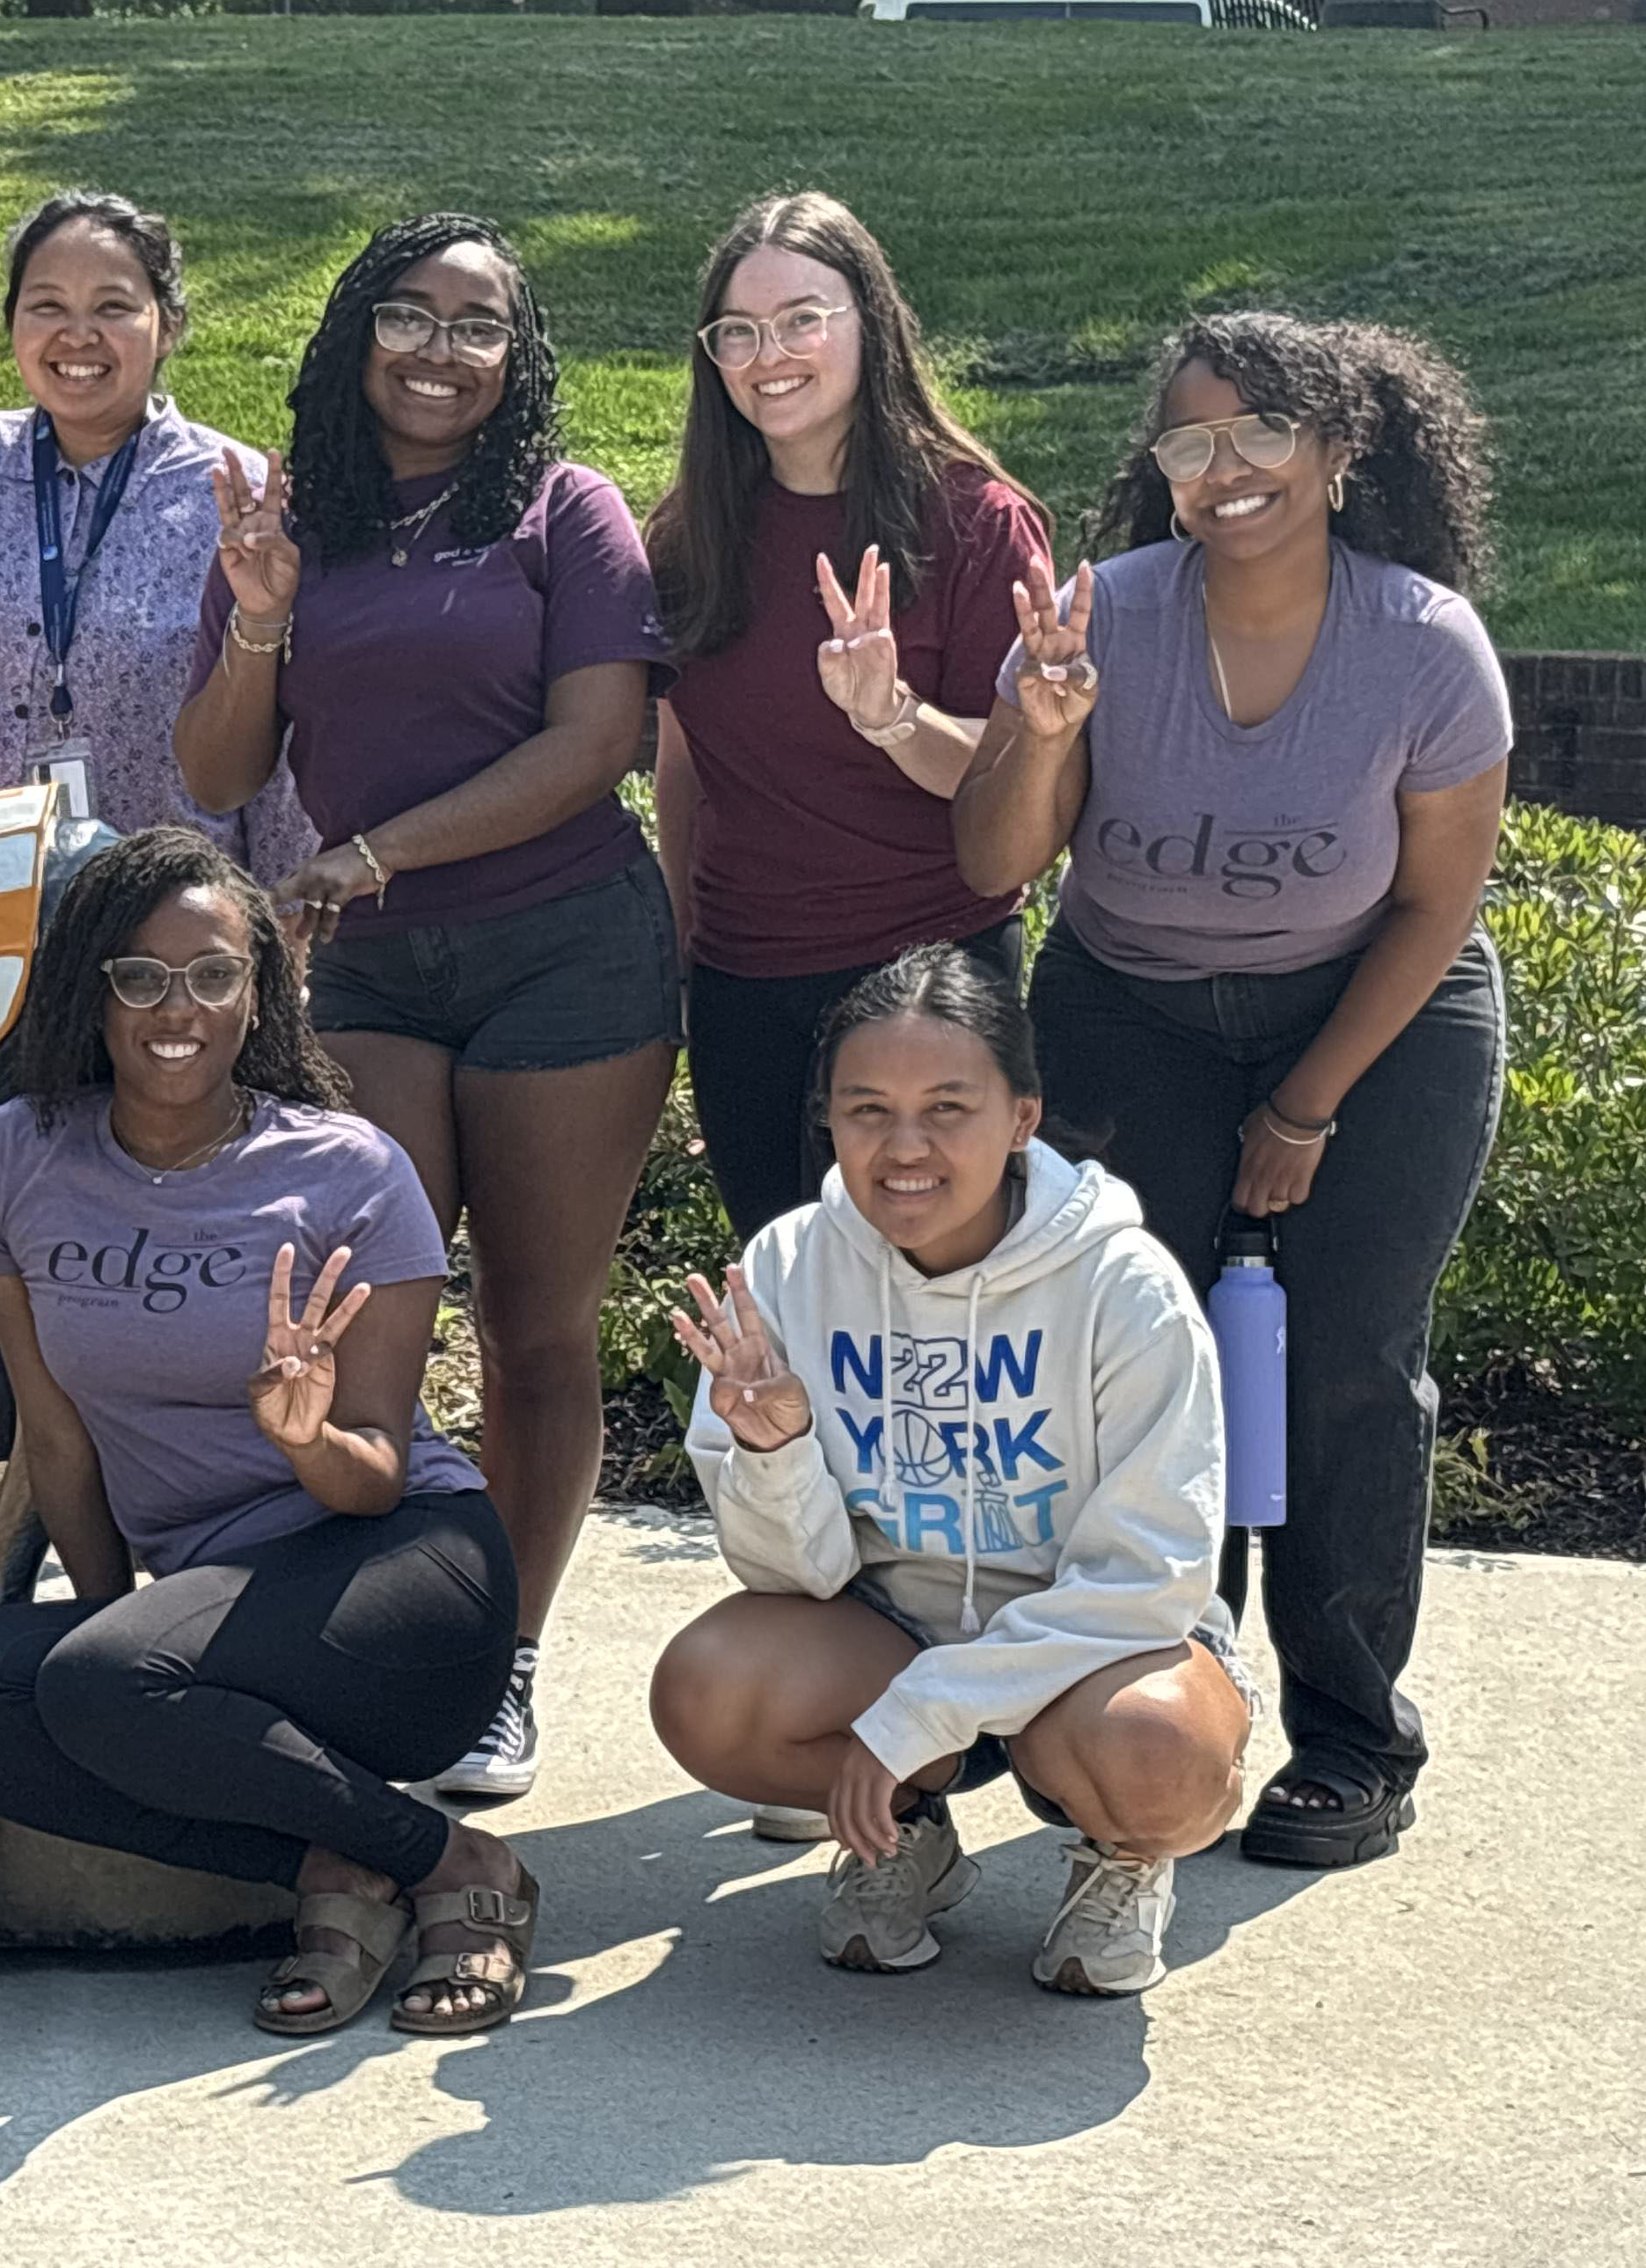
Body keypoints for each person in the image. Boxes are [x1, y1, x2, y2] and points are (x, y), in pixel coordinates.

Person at [954, 311, 1511, 1873]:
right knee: (1141, 1358)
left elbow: (1433, 907)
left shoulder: (1419, 642)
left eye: (1264, 431)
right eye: (1190, 441)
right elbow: (995, 865)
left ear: (1342, 453)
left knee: (1343, 1363)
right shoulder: (1098, 619)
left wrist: (1308, 1102)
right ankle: (1162, 1707)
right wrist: (1040, 726)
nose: (1225, 468)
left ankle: (1349, 1737)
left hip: (1374, 1014)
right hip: (1131, 1006)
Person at [176, 211, 678, 1808]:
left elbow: (596, 741)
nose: (440, 349)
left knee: (535, 1326)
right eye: (410, 313)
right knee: (362, 1314)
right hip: (378, 975)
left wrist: (376, 852)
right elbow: (217, 774)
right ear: (356, 334)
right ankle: (370, 1641)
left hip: (566, 952)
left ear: (516, 357)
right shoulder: (289, 518)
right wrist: (259, 612)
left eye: (478, 324)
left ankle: (501, 1660)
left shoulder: (563, 512)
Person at [0, 829, 535, 2040]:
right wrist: (103, 1622)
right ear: (90, 990)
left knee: (102, 1678)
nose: (174, 1008)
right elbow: (57, 1429)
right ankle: (339, 1865)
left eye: (212, 974)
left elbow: (379, 1475)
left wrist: (301, 1435)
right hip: (212, 1619)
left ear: (261, 992)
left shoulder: (352, 1172)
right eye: (138, 976)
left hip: (400, 1582)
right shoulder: (5, 1162)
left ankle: (458, 1864)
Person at [0, 188, 314, 1560]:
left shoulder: (237, 484)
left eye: (112, 307)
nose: (77, 336)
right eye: (48, 306)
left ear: (165, 325)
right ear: (13, 325)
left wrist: (275, 928)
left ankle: (155, 1542)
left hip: (158, 943)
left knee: (144, 1249)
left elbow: (274, 728)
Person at [650, 947, 1255, 1996]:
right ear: (829, 1122)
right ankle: (907, 1836)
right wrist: (774, 1447)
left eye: (947, 1107)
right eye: (868, 1110)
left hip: (1093, 1653)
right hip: (891, 1626)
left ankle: (1122, 1859)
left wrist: (920, 1715)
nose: (905, 1147)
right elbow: (787, 1580)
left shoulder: (1121, 1282)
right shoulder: (793, 1265)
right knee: (708, 1694)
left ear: (1023, 1117)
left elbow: (1152, 1577)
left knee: (1163, 1756)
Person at [644, 193, 1049, 1247]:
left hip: (931, 983)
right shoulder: (689, 533)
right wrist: (682, 957)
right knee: (791, 1312)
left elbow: (1009, 792)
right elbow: (687, 767)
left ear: (873, 322)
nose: (767, 354)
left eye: (802, 320)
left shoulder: (976, 523)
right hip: (746, 987)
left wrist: (892, 715)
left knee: (943, 1306)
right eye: (738, 331)